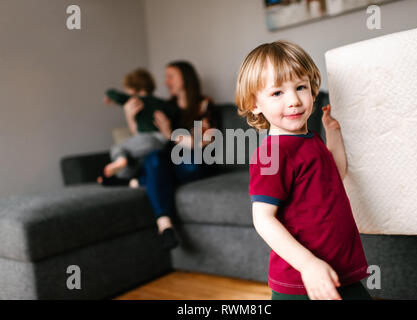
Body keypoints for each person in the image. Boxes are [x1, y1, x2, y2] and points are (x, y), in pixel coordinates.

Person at [235, 40, 371, 300]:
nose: (295, 100)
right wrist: (308, 264)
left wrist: (333, 134)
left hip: (340, 270)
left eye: (301, 87)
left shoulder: (310, 139)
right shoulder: (272, 153)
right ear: (255, 104)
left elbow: (335, 176)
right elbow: (263, 219)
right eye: (277, 93)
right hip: (301, 283)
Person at [124, 61, 217, 250]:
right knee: (154, 158)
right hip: (168, 161)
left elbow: (201, 142)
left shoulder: (204, 104)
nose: (166, 82)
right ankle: (165, 225)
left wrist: (169, 134)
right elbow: (145, 139)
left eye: (171, 76)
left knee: (189, 164)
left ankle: (141, 180)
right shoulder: (165, 107)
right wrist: (130, 118)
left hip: (195, 161)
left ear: (185, 78)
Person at [99, 68, 178, 185]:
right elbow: (175, 112)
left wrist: (109, 97)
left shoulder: (136, 100)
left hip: (147, 138)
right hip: (162, 141)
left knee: (118, 149)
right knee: (136, 161)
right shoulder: (162, 103)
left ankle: (121, 162)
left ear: (132, 89)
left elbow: (113, 93)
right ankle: (129, 179)